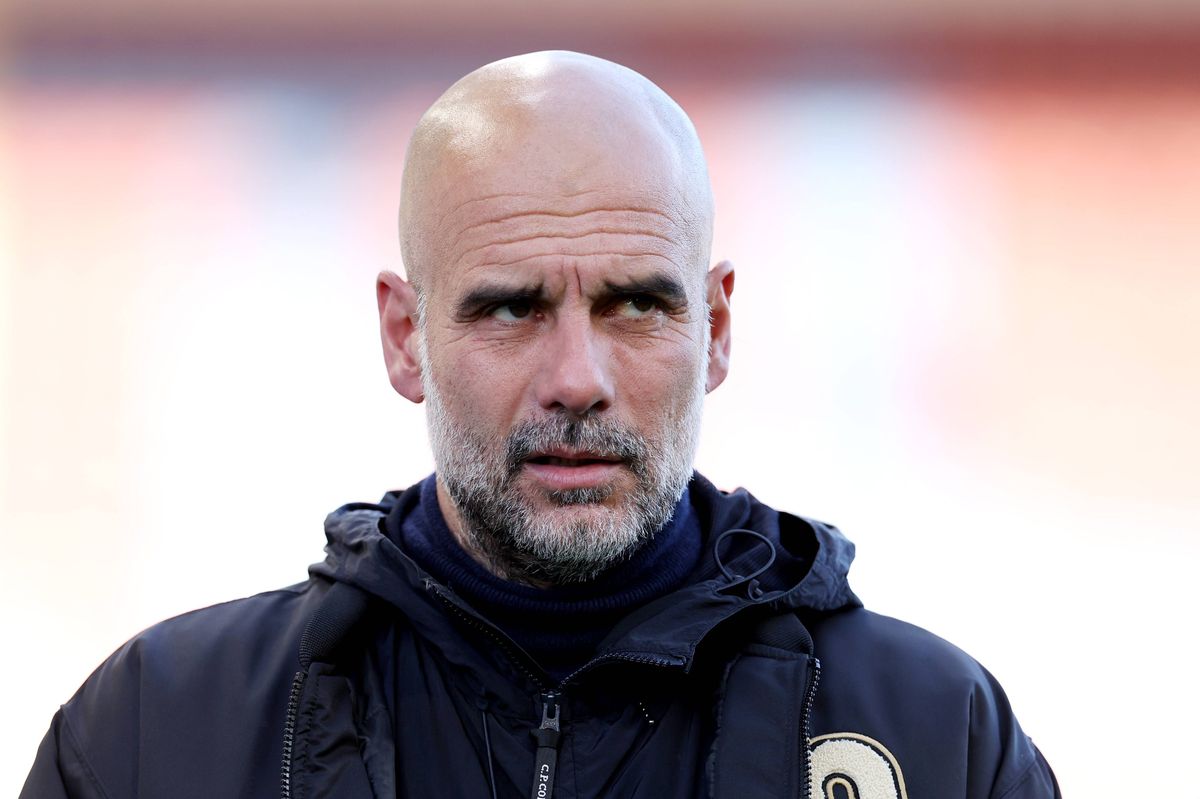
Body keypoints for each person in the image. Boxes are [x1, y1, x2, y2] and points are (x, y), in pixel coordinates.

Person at [22, 51, 1059, 798]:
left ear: (716, 329)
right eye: (512, 308)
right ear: (405, 338)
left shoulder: (934, 735)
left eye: (636, 304)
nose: (576, 380)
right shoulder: (158, 732)